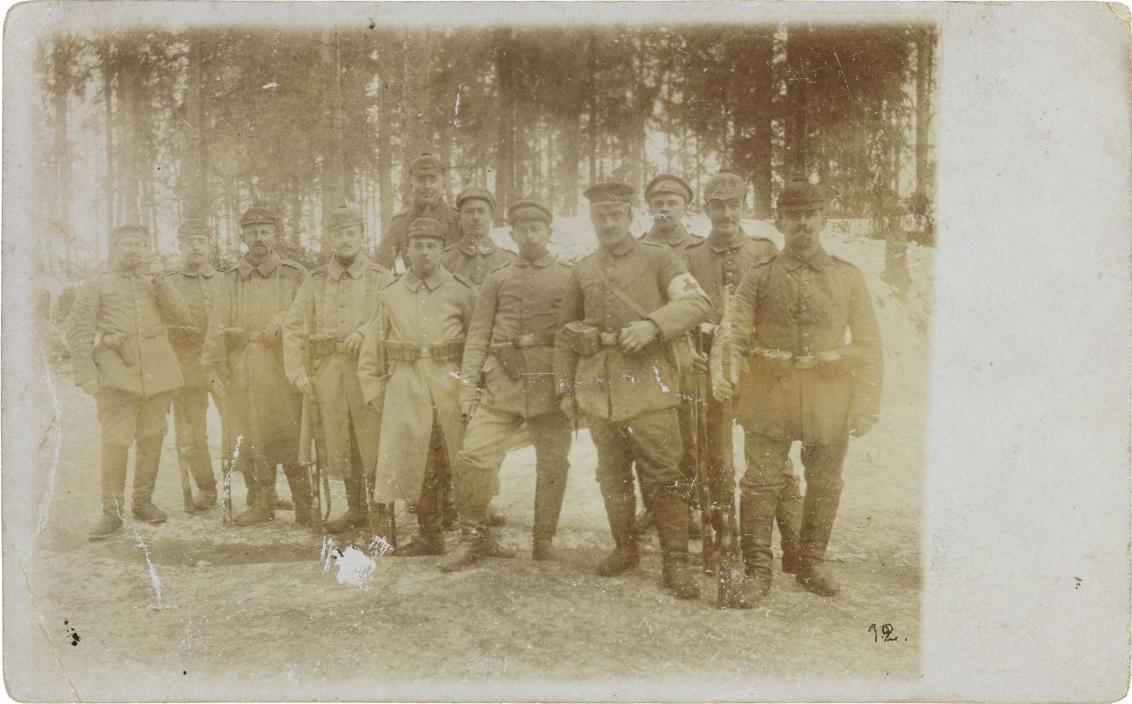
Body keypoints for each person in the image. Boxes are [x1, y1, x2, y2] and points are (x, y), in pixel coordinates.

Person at [712, 175, 883, 605]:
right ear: (780, 221)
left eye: (811, 215)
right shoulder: (760, 276)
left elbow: (870, 346)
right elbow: (735, 331)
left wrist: (865, 405)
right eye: (794, 216)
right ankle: (757, 571)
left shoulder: (848, 278)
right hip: (770, 396)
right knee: (760, 482)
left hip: (829, 398)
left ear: (823, 218)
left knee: (825, 481)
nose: (803, 224)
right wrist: (735, 369)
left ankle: (810, 562)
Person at [554, 181, 711, 599]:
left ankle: (675, 562)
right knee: (612, 474)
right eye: (600, 216)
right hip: (600, 389)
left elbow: (697, 304)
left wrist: (653, 325)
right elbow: (564, 334)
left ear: (630, 216)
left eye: (615, 214)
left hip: (650, 386)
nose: (608, 223)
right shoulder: (583, 269)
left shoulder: (660, 258)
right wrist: (566, 388)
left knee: (663, 474)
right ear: (592, 221)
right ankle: (625, 547)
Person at [443, 199, 573, 571]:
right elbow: (479, 334)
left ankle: (543, 540)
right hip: (504, 385)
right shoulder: (498, 278)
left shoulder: (568, 276)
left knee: (553, 464)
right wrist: (469, 386)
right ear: (512, 234)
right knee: (474, 455)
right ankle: (474, 537)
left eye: (537, 229)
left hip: (550, 385)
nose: (530, 236)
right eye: (523, 230)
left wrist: (572, 388)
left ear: (548, 233)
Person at [684, 172, 802, 573]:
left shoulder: (765, 251)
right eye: (717, 205)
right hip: (708, 368)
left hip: (760, 370)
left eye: (733, 205)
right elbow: (683, 311)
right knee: (714, 457)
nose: (725, 213)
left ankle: (793, 542)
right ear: (706, 208)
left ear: (744, 207)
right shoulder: (691, 255)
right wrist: (691, 349)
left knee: (773, 457)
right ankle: (722, 541)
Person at [357, 217, 477, 556]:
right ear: (406, 250)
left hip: (449, 387)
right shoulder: (390, 295)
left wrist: (474, 389)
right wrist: (377, 392)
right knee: (420, 462)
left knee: (459, 458)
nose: (424, 253)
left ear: (442, 250)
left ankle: (472, 534)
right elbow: (373, 347)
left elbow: (477, 343)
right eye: (418, 246)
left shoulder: (461, 291)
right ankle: (430, 535)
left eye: (432, 246)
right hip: (406, 388)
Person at [66, 224, 190, 540]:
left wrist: (161, 281)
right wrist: (86, 374)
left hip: (157, 373)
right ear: (115, 250)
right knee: (116, 442)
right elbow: (78, 332)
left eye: (139, 245)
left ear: (148, 250)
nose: (133, 251)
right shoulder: (96, 284)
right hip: (116, 374)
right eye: (126, 245)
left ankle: (143, 501)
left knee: (152, 438)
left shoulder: (158, 283)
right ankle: (112, 512)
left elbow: (182, 316)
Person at [283, 205, 394, 533]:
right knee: (339, 441)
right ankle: (356, 509)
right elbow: (293, 326)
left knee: (371, 441)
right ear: (328, 238)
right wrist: (296, 370)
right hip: (328, 373)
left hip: (368, 372)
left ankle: (380, 512)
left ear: (362, 236)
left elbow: (390, 316)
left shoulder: (380, 277)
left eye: (351, 233)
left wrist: (366, 332)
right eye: (338, 233)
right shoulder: (314, 281)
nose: (345, 240)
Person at [202, 204, 311, 526]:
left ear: (275, 235)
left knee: (289, 434)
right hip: (244, 368)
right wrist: (211, 367)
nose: (259, 238)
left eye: (265, 231)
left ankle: (306, 503)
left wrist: (283, 321)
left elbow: (308, 315)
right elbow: (216, 323)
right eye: (253, 232)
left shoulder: (294, 274)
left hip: (283, 369)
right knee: (252, 436)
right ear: (243, 237)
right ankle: (261, 502)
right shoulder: (231, 280)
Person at [635, 173, 702, 538]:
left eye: (671, 202)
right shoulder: (638, 249)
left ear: (684, 206)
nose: (664, 208)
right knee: (649, 439)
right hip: (649, 355)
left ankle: (686, 509)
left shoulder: (697, 249)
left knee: (688, 437)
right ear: (649, 207)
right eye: (658, 202)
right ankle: (654, 507)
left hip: (690, 356)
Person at [167, 218, 221, 511]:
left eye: (201, 240)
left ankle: (256, 488)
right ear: (180, 245)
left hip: (221, 367)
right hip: (187, 368)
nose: (196, 247)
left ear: (210, 244)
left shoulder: (225, 280)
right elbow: (158, 322)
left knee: (241, 425)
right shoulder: (169, 282)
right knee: (192, 433)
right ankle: (207, 489)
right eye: (190, 241)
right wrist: (172, 332)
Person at [374, 153, 461, 270]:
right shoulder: (399, 223)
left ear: (443, 183)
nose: (427, 186)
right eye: (421, 180)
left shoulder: (458, 219)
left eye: (433, 180)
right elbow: (377, 267)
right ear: (411, 183)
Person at [442, 187, 516, 286]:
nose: (476, 217)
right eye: (469, 212)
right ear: (459, 218)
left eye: (481, 211)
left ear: (492, 216)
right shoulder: (444, 261)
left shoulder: (508, 262)